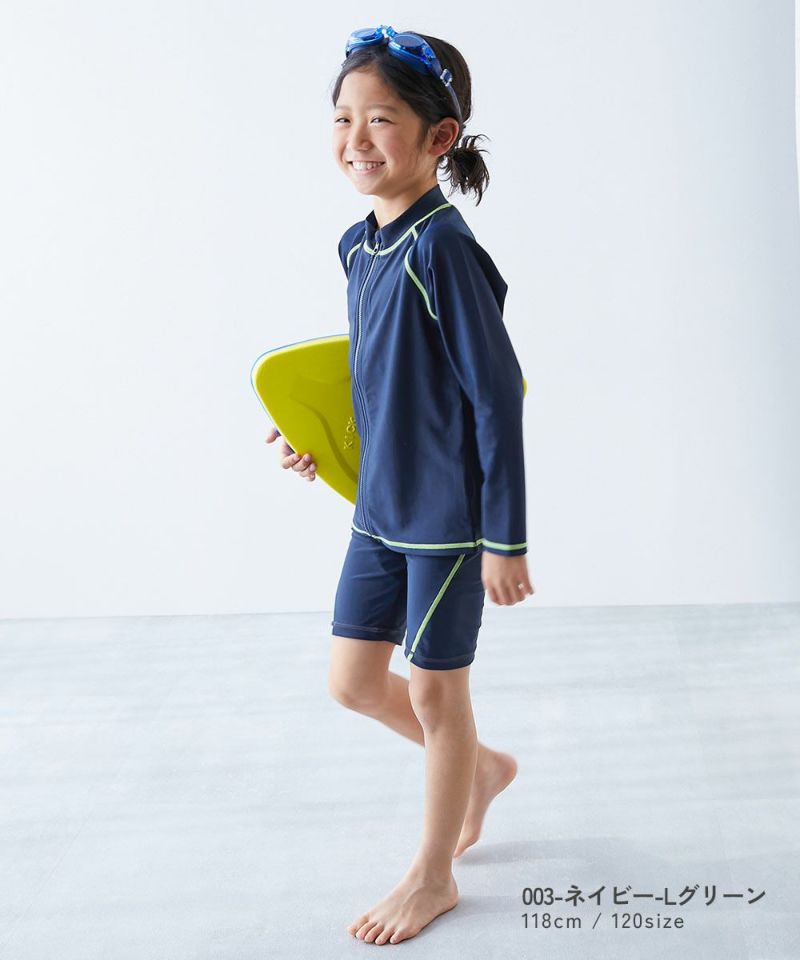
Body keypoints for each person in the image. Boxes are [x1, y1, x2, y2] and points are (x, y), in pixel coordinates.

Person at [265, 25, 535, 946]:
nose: (356, 138)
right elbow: (374, 373)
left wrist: (505, 537)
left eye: (381, 119)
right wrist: (317, 441)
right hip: (379, 511)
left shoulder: (442, 250)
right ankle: (482, 771)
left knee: (434, 694)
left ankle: (433, 876)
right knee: (351, 684)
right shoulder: (360, 246)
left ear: (439, 137)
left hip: (449, 521)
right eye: (343, 118)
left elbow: (497, 397)